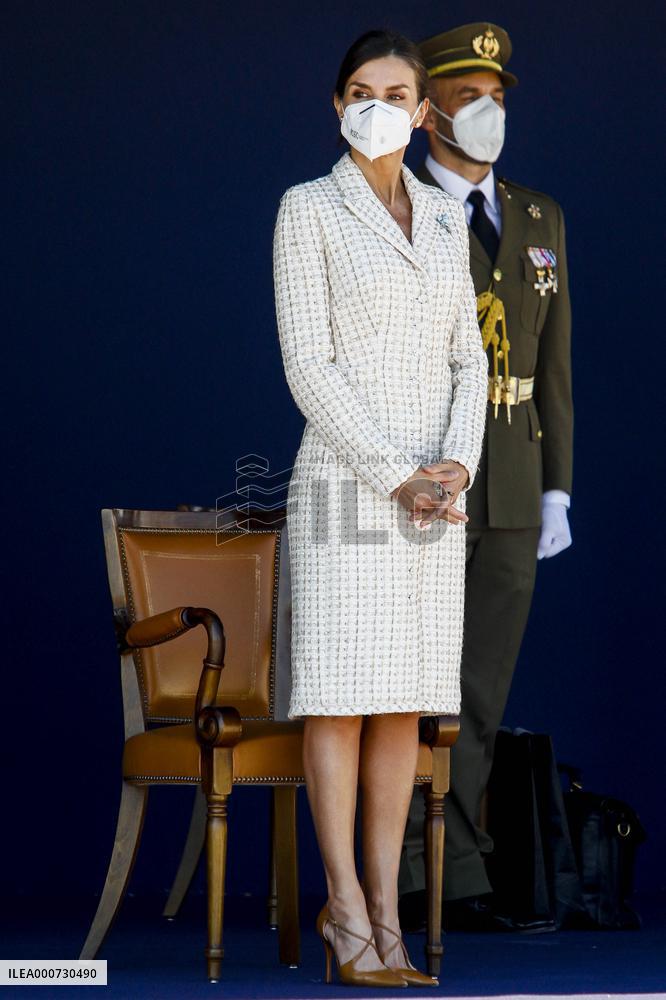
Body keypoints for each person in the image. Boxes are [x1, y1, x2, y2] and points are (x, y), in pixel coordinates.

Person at [273, 28, 488, 987]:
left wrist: (455, 466)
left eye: (396, 92)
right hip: (344, 490)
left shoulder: (447, 221)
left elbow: (468, 361)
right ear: (337, 104)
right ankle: (345, 911)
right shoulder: (306, 209)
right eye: (360, 89)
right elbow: (308, 366)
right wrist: (395, 471)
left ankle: (385, 914)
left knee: (401, 701)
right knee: (339, 698)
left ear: (423, 110)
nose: (378, 104)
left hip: (433, 504)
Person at [398, 21, 574, 933]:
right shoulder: (402, 208)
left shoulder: (539, 216)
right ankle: (408, 867)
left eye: (498, 99)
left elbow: (557, 368)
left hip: (513, 474)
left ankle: (455, 872)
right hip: (428, 470)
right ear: (430, 114)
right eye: (468, 99)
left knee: (480, 686)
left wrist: (557, 487)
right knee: (413, 678)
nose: (488, 114)